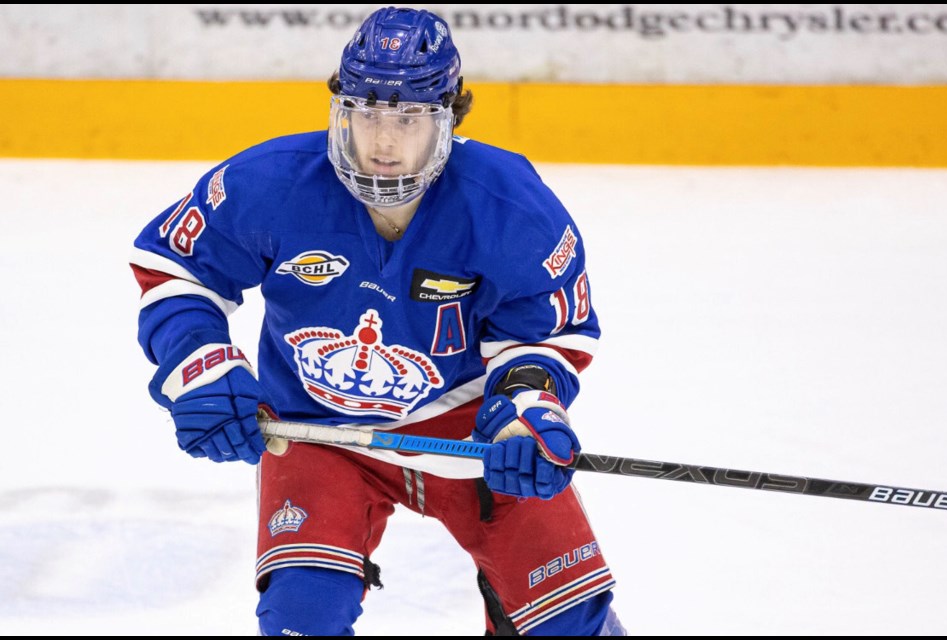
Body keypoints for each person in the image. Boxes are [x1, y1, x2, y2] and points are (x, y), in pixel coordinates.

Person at [131, 6, 625, 636]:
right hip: (318, 431)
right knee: (300, 619)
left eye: (409, 117)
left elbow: (545, 331)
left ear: (448, 118)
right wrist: (200, 366)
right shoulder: (269, 182)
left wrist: (529, 405)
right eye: (366, 114)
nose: (384, 142)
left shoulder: (509, 203)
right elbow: (177, 268)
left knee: (570, 626)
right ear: (340, 110)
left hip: (472, 437)